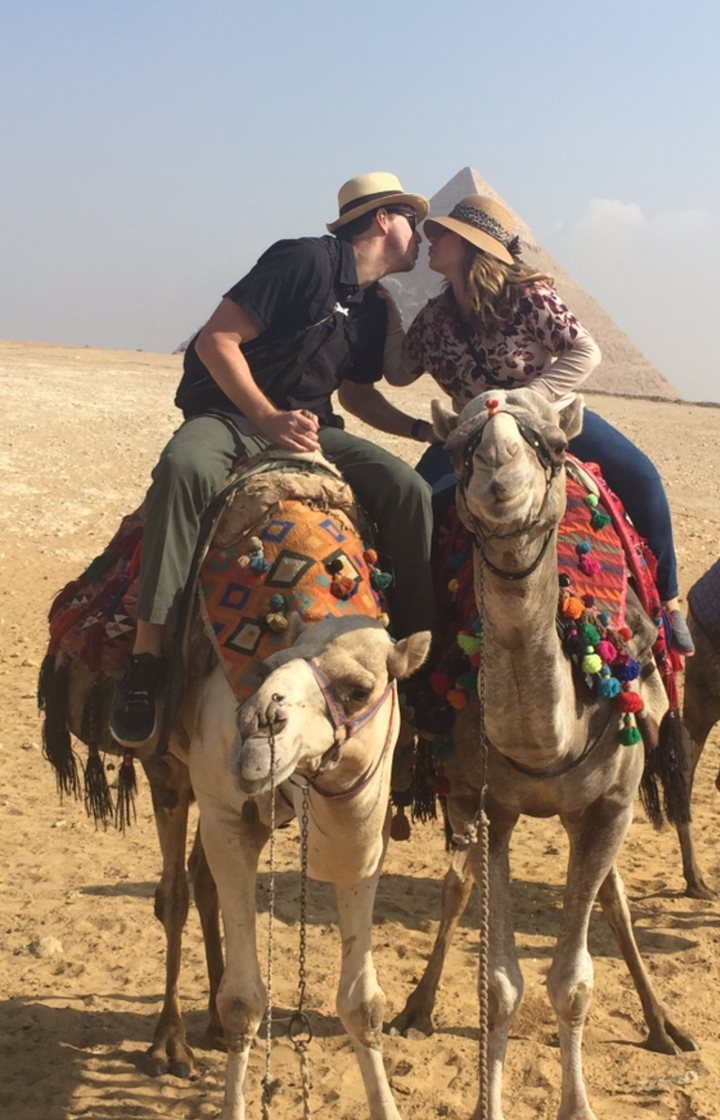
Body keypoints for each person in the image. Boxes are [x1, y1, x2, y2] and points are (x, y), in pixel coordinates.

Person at [110, 173, 437, 746]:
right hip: (232, 419)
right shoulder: (303, 261)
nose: (423, 236)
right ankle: (147, 657)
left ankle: (414, 664)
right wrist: (267, 418)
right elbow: (215, 340)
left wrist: (420, 430)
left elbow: (357, 397)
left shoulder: (372, 307)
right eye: (414, 220)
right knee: (185, 468)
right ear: (382, 219)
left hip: (311, 429)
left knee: (407, 489)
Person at [381, 193, 695, 656]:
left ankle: (667, 602)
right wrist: (389, 313)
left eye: (443, 233)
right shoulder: (434, 319)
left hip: (546, 421)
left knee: (643, 478)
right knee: (419, 507)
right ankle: (414, 624)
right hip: (474, 433)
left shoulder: (527, 298)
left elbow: (586, 351)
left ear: (470, 245)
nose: (432, 238)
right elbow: (397, 372)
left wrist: (527, 401)